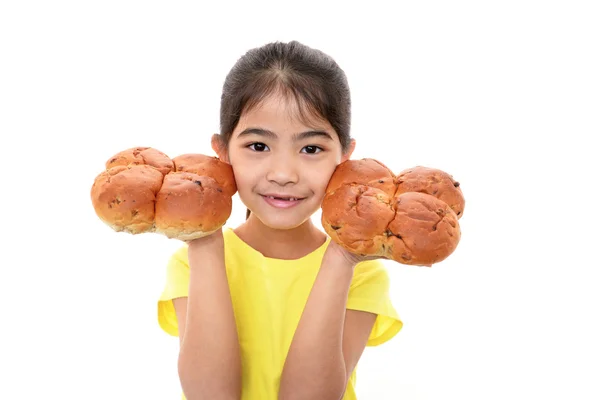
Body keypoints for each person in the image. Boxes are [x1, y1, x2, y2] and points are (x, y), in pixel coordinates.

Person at [157, 40, 403, 400]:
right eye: (258, 146)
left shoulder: (362, 272)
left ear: (345, 158)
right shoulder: (191, 261)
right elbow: (211, 396)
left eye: (311, 149)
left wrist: (341, 258)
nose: (284, 173)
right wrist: (206, 241)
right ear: (222, 152)